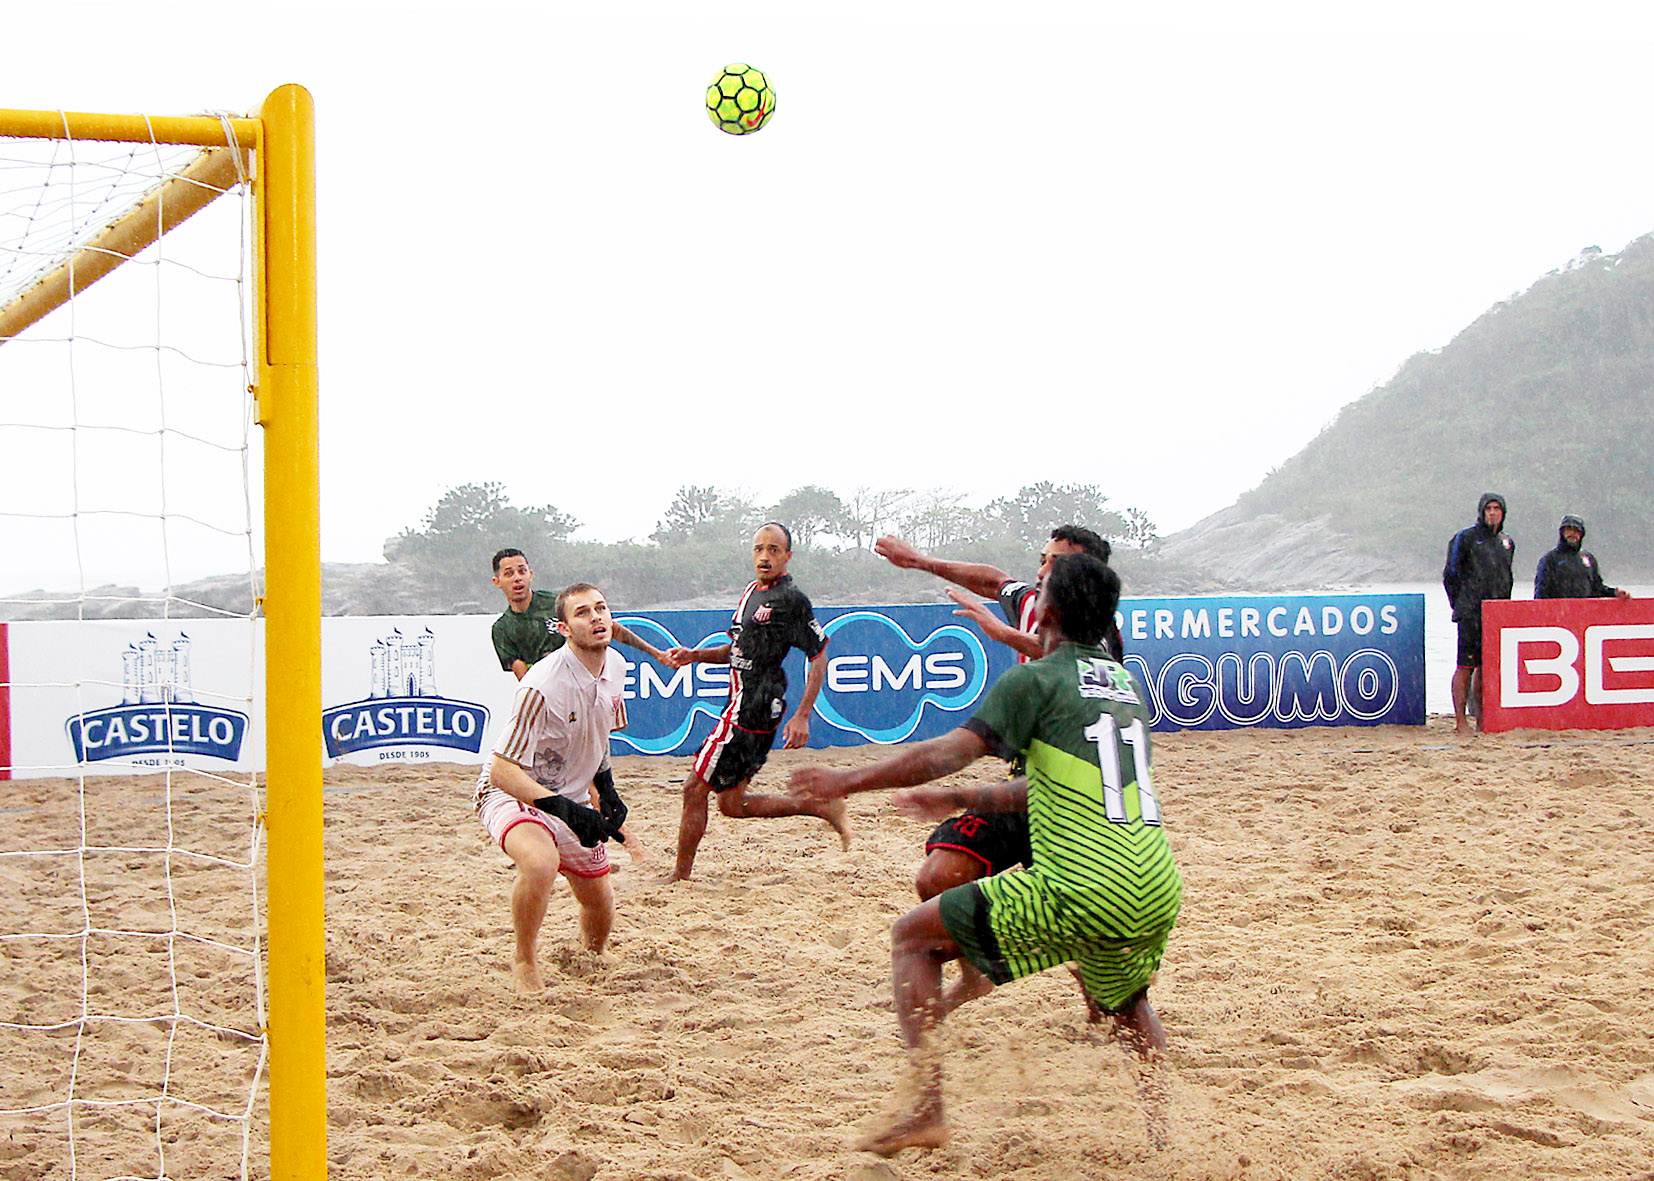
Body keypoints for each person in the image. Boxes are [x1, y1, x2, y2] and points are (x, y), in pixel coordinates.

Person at [790, 554, 1181, 1156]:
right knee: (1130, 1003)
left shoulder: (1036, 678)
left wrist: (848, 781)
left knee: (912, 939)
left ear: (1045, 609)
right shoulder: (1124, 684)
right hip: (1155, 886)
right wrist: (961, 797)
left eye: (1041, 586)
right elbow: (1052, 786)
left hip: (1086, 885)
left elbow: (950, 749)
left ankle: (925, 1111)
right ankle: (1168, 1139)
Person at [874, 525, 1121, 1016]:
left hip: (1074, 800)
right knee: (938, 876)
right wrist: (920, 560)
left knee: (1104, 983)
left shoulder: (1099, 633)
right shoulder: (1033, 598)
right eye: (1043, 558)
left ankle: (1097, 986)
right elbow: (994, 581)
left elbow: (1068, 662)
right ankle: (975, 974)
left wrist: (1004, 634)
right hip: (1020, 787)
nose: (1041, 570)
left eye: (1054, 563)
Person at [665, 523, 851, 882]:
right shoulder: (752, 592)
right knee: (733, 805)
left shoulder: (790, 600)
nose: (765, 556)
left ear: (788, 556)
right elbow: (737, 652)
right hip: (746, 705)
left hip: (752, 707)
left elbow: (819, 654)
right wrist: (694, 655)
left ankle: (679, 877)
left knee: (693, 789)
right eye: (759, 549)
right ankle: (818, 806)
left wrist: (803, 715)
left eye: (774, 550)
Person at [472, 582, 635, 992]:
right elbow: (501, 770)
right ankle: (525, 962)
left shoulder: (616, 667)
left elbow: (600, 735)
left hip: (573, 792)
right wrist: (566, 809)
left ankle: (593, 955)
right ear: (563, 628)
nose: (596, 617)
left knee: (599, 900)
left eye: (601, 608)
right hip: (514, 790)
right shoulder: (542, 685)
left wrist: (607, 788)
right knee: (541, 863)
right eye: (583, 613)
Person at [490, 547, 669, 678]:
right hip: (554, 696)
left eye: (522, 571)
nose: (517, 578)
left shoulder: (559, 602)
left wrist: (656, 653)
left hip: (591, 681)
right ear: (497, 581)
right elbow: (526, 680)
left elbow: (608, 627)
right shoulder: (502, 629)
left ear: (530, 574)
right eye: (509, 573)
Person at [1441, 493, 1514, 734]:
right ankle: (1461, 720)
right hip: (1471, 612)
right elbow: (1450, 575)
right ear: (1481, 512)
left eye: (1497, 509)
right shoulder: (1466, 538)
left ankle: (1483, 719)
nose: (1492, 513)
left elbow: (1506, 577)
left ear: (1503, 513)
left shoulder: (1507, 542)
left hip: (1496, 614)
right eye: (1488, 509)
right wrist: (1460, 605)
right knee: (1465, 666)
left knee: (1486, 668)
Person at [1534, 515, 1632, 601]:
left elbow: (1597, 589)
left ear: (1581, 534)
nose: (1572, 533)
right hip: (1558, 616)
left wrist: (1615, 593)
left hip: (1585, 616)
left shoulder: (1588, 558)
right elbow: (1541, 594)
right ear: (1562, 533)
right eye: (1568, 530)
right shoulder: (1550, 559)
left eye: (1576, 531)